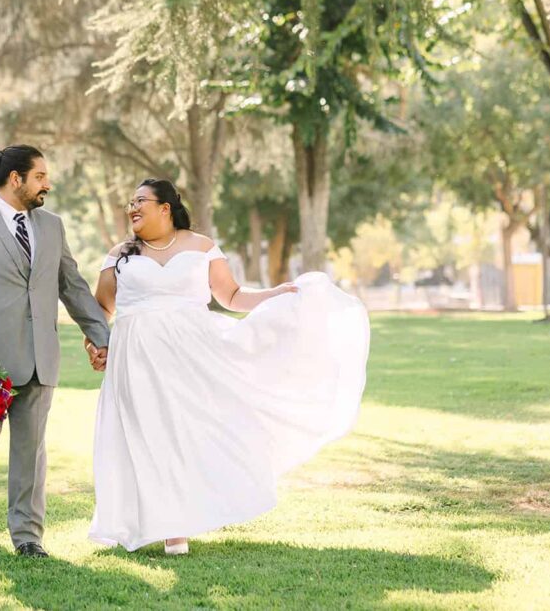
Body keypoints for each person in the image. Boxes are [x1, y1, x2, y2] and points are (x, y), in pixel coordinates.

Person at [88, 179, 370, 555]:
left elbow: (231, 295)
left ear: (165, 208)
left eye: (140, 201)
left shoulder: (200, 246)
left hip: (192, 354)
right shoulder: (120, 254)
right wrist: (93, 343)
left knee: (185, 430)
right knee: (144, 433)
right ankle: (155, 522)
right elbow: (101, 309)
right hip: (135, 357)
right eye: (130, 203)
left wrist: (275, 295)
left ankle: (177, 526)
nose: (132, 208)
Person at [0, 145, 109, 558]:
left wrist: (102, 336)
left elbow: (72, 286)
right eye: (41, 176)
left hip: (39, 357)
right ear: (16, 179)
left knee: (31, 453)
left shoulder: (51, 226)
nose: (48, 183)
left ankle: (28, 537)